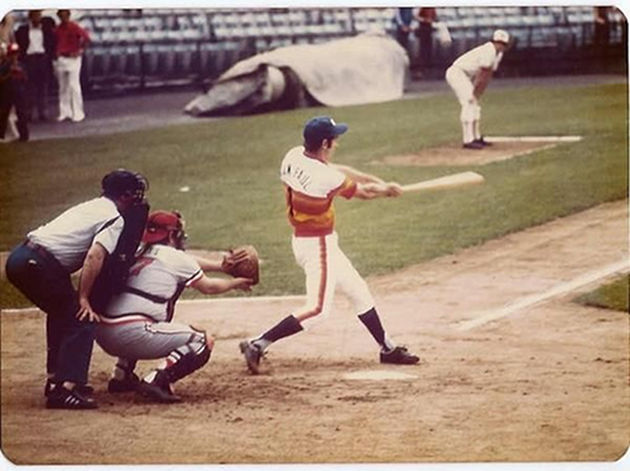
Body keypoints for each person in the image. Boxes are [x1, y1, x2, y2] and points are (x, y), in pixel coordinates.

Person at [239, 116, 420, 375]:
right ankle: (258, 343)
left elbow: (340, 170)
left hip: (310, 242)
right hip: (317, 246)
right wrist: (384, 190)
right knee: (318, 310)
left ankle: (387, 348)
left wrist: (379, 182)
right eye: (334, 139)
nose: (337, 144)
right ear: (325, 143)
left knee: (358, 290)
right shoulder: (324, 177)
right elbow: (363, 193)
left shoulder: (294, 155)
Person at [5, 170, 149, 409]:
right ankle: (65, 389)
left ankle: (56, 379)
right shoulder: (115, 218)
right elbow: (94, 256)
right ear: (124, 195)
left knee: (62, 313)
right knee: (82, 318)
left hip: (23, 258)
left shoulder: (92, 206)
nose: (137, 197)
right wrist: (84, 298)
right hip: (38, 265)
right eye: (133, 192)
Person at [96, 210, 254, 403]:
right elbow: (209, 287)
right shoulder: (175, 258)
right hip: (132, 334)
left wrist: (221, 267)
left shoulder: (135, 250)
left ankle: (121, 376)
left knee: (147, 312)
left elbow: (184, 261)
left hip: (102, 331)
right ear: (171, 235)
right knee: (203, 342)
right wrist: (236, 283)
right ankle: (156, 380)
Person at [445, 29, 510, 150]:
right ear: (494, 41)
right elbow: (482, 75)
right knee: (468, 103)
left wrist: (478, 93)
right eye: (498, 43)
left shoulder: (498, 54)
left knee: (474, 104)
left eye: (503, 44)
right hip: (457, 72)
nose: (500, 46)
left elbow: (488, 75)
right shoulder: (489, 51)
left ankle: (476, 137)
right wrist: (475, 93)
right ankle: (468, 139)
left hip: (465, 75)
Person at [15, 10, 57, 122]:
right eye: (35, 16)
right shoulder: (22, 30)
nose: (37, 19)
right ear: (30, 17)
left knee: (43, 86)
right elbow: (19, 44)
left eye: (38, 16)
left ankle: (43, 112)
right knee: (29, 87)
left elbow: (51, 43)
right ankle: (28, 112)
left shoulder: (46, 30)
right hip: (29, 58)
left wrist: (50, 56)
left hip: (42, 57)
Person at [53, 9, 89, 122]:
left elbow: (87, 38)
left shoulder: (74, 27)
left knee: (74, 86)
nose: (63, 18)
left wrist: (80, 50)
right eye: (61, 16)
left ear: (68, 15)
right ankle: (65, 112)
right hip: (61, 58)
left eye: (65, 15)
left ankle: (78, 113)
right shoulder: (57, 29)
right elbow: (54, 42)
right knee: (63, 87)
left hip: (73, 58)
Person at [0, 42, 29, 142]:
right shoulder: (4, 66)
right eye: (12, 53)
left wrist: (20, 73)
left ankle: (24, 136)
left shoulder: (21, 64)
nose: (14, 56)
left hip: (19, 91)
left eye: (16, 53)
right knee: (4, 113)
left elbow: (26, 79)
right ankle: (1, 135)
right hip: (7, 92)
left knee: (21, 113)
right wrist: (9, 73)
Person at [415, 7, 437, 75]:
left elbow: (434, 17)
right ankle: (421, 69)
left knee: (429, 49)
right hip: (423, 28)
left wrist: (431, 20)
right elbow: (417, 16)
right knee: (422, 50)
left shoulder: (432, 8)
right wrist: (425, 20)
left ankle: (428, 69)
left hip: (429, 29)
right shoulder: (423, 8)